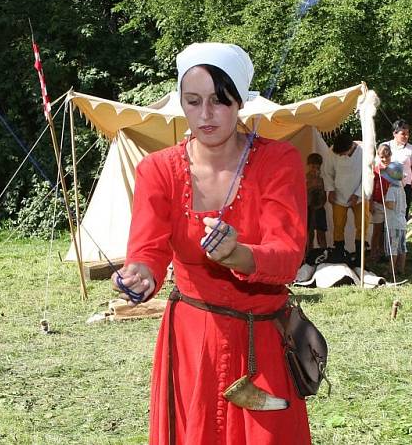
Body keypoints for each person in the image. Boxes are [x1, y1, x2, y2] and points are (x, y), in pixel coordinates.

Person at [111, 42, 311, 444]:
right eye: (193, 101)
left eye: (219, 101)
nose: (205, 115)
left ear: (240, 102)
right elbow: (148, 249)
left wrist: (238, 254)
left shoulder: (279, 160)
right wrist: (141, 275)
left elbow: (288, 255)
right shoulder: (157, 169)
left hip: (262, 340)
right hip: (191, 340)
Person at [323, 131, 364, 265]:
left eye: (342, 153)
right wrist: (330, 190)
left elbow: (368, 175)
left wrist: (358, 194)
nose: (340, 155)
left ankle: (360, 257)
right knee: (338, 225)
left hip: (360, 194)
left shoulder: (363, 152)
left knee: (362, 224)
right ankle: (339, 254)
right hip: (339, 194)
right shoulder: (331, 152)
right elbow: (327, 172)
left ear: (351, 146)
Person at [385, 120, 412, 219]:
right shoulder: (385, 146)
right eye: (403, 134)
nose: (406, 136)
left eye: (408, 133)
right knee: (386, 213)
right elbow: (378, 164)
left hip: (405, 187)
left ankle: (401, 234)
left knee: (402, 214)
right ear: (394, 133)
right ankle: (385, 235)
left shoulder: (411, 149)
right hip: (386, 185)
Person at [381, 161, 408, 274]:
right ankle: (401, 268)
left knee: (393, 248)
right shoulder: (402, 189)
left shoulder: (392, 190)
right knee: (402, 247)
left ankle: (391, 269)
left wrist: (384, 200)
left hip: (393, 223)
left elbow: (391, 205)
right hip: (402, 222)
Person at [369, 144, 392, 263]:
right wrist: (370, 202)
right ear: (378, 156)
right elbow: (371, 187)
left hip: (389, 204)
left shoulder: (394, 169)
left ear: (390, 156)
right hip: (377, 203)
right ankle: (373, 253)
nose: (385, 160)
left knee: (387, 230)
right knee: (377, 230)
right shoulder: (375, 169)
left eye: (387, 157)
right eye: (382, 157)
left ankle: (385, 252)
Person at [306, 153, 327, 253]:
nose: (315, 169)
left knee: (321, 233)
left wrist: (320, 204)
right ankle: (309, 254)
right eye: (312, 166)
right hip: (308, 209)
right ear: (308, 165)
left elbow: (324, 196)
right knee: (309, 234)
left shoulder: (322, 180)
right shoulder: (304, 179)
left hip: (319, 208)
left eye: (317, 167)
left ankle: (324, 253)